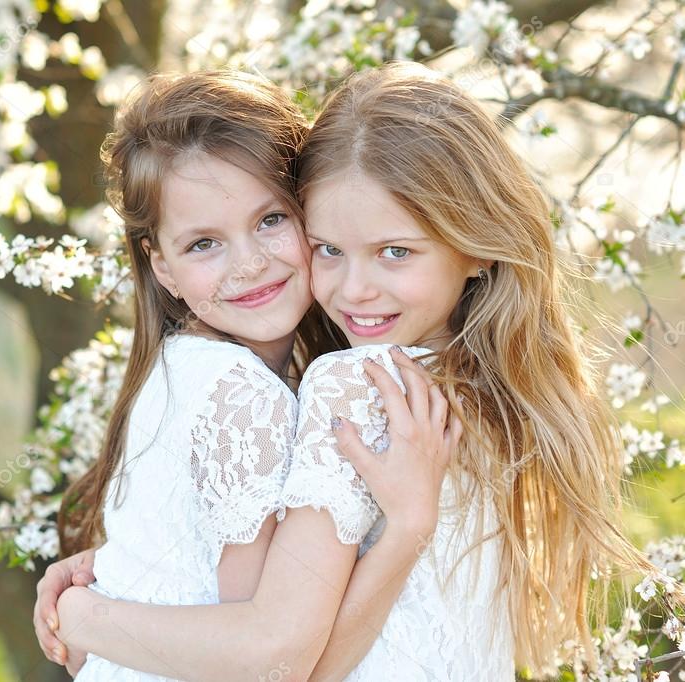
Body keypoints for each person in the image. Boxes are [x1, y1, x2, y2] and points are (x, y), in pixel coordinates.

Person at [40, 62, 658, 679]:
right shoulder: (504, 390)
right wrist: (124, 568)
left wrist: (87, 617)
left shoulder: (355, 388)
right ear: (162, 265)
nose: (357, 290)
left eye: (395, 252)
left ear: (474, 243)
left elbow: (283, 663)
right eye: (330, 249)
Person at [38, 69, 458, 681]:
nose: (250, 262)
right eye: (204, 243)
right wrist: (81, 615)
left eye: (270, 221)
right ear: (163, 269)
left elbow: (189, 569)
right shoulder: (239, 395)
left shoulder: (182, 368)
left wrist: (102, 585)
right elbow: (265, 654)